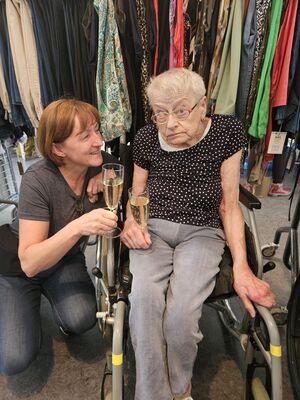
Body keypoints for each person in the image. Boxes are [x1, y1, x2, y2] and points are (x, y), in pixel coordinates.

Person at [120, 68, 276, 400]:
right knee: (144, 304)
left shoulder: (226, 132)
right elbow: (136, 196)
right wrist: (132, 222)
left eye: (180, 110)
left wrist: (242, 268)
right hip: (155, 229)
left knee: (179, 318)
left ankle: (180, 390)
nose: (170, 123)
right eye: (161, 113)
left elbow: (230, 204)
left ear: (203, 105)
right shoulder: (148, 138)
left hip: (203, 231)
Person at [0, 99, 118, 375]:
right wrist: (79, 226)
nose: (98, 141)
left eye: (97, 131)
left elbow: (129, 166)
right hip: (19, 268)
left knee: (82, 319)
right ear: (58, 148)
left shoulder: (101, 165)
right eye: (85, 136)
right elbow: (30, 262)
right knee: (14, 360)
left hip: (64, 261)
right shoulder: (38, 180)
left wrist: (105, 172)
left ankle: (52, 300)